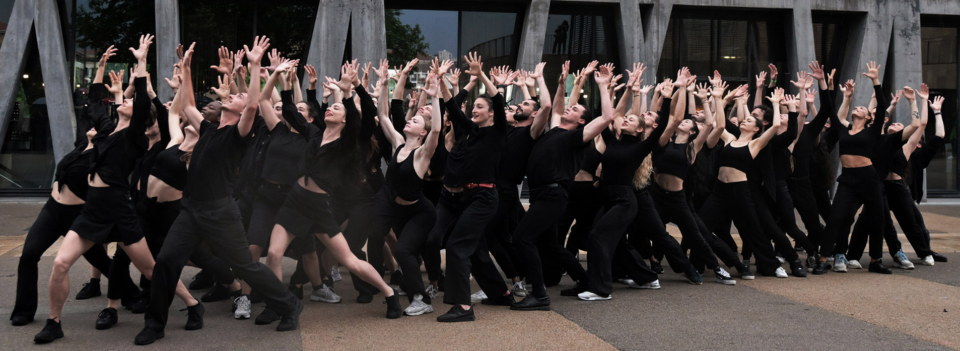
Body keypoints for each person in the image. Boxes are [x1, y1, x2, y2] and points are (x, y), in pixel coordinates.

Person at [136, 38, 303, 346]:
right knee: (166, 261)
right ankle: (155, 323)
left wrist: (254, 66)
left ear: (241, 113)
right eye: (237, 94)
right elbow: (186, 105)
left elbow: (253, 104)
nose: (235, 96)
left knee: (246, 267)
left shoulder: (239, 134)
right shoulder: (209, 129)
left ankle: (289, 304)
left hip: (220, 211)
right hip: (191, 209)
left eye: (238, 96)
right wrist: (185, 70)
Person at [34, 35, 201, 344]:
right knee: (60, 263)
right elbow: (94, 103)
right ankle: (54, 322)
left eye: (126, 102)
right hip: (92, 210)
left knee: (151, 269)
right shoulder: (108, 131)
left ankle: (192, 303)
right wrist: (99, 68)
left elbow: (139, 100)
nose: (121, 101)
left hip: (119, 210)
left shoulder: (135, 139)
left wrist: (141, 62)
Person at [265, 58, 402, 320]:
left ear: (346, 118)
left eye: (336, 108)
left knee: (350, 261)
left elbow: (365, 118)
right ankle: (283, 306)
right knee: (273, 254)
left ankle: (388, 292)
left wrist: (350, 92)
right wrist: (281, 77)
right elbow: (291, 112)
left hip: (318, 208)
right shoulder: (314, 134)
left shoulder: (347, 143)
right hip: (294, 202)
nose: (329, 110)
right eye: (330, 108)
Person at [11, 47, 119, 327]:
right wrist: (101, 65)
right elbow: (94, 99)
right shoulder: (84, 140)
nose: (90, 124)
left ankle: (130, 295)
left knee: (103, 263)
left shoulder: (107, 143)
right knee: (29, 255)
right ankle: (23, 310)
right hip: (52, 211)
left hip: (78, 217)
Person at [430, 52, 511, 322]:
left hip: (483, 197)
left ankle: (463, 307)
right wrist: (442, 82)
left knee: (456, 246)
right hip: (458, 197)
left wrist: (482, 75)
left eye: (479, 107)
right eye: (473, 106)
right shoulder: (468, 132)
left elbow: (498, 101)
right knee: (472, 250)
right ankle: (501, 294)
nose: (474, 110)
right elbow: (452, 107)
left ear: (490, 113)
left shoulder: (498, 132)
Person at [698, 71, 786, 279]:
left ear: (756, 129)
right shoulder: (729, 139)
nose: (744, 121)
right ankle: (698, 264)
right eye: (744, 119)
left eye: (749, 121)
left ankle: (771, 265)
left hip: (740, 190)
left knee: (753, 228)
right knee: (701, 224)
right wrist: (719, 98)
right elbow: (720, 123)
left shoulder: (755, 143)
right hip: (720, 190)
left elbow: (774, 126)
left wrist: (775, 103)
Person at [813, 61, 890, 275]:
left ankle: (875, 260)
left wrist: (875, 80)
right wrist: (824, 84)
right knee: (836, 218)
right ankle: (823, 259)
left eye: (862, 108)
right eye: (856, 106)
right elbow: (828, 108)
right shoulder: (842, 129)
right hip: (847, 180)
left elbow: (882, 106)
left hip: (868, 178)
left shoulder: (872, 131)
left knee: (877, 219)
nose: (858, 107)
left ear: (867, 117)